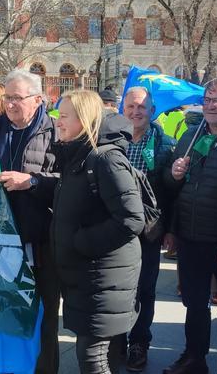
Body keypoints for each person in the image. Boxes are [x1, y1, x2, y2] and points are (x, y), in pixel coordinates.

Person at [0, 69, 60, 374]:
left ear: (37, 99)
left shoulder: (55, 131)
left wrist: (31, 182)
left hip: (39, 243)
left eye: (16, 98)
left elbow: (66, 183)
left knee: (41, 318)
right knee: (0, 314)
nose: (9, 104)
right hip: (0, 243)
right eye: (7, 98)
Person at [46, 90, 144, 374]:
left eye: (64, 117)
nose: (58, 123)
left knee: (92, 356)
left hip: (102, 274)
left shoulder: (104, 159)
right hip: (88, 275)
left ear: (84, 120)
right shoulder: (78, 155)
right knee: (103, 354)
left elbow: (131, 219)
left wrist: (81, 243)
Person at [161, 78, 217, 374]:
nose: (210, 105)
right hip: (191, 236)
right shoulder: (190, 135)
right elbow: (173, 189)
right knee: (195, 304)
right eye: (207, 99)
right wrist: (172, 175)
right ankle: (193, 358)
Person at [120, 86, 175, 372]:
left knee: (145, 289)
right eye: (130, 106)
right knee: (117, 288)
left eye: (141, 106)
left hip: (149, 230)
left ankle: (139, 342)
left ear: (152, 111)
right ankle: (116, 342)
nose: (135, 112)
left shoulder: (166, 145)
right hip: (114, 229)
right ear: (122, 109)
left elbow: (173, 192)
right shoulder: (111, 140)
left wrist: (170, 229)